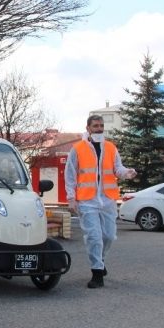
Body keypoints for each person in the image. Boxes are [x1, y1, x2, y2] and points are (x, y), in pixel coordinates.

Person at [64, 115, 137, 289]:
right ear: (88, 128)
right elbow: (70, 175)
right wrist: (71, 198)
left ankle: (100, 261)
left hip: (107, 199)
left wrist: (127, 172)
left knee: (109, 236)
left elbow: (117, 168)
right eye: (95, 126)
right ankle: (97, 272)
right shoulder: (78, 148)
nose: (99, 129)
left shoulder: (111, 147)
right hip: (87, 200)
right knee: (94, 237)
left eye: (101, 126)